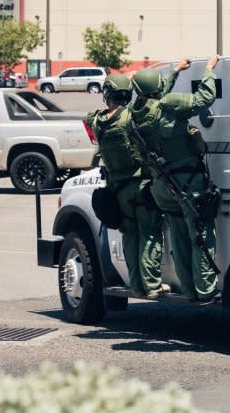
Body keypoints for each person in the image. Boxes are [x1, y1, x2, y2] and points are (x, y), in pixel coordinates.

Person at [130, 56, 221, 302]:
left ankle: (190, 291)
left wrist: (176, 72)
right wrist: (209, 71)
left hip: (163, 186)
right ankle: (207, 291)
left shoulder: (135, 115)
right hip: (188, 184)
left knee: (180, 239)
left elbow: (155, 96)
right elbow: (204, 99)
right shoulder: (168, 104)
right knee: (201, 237)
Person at [88, 74, 166, 299]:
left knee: (129, 236)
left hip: (117, 190)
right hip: (141, 185)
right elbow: (152, 104)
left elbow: (91, 115)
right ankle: (152, 284)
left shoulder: (98, 122)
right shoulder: (132, 116)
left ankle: (136, 285)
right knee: (150, 234)